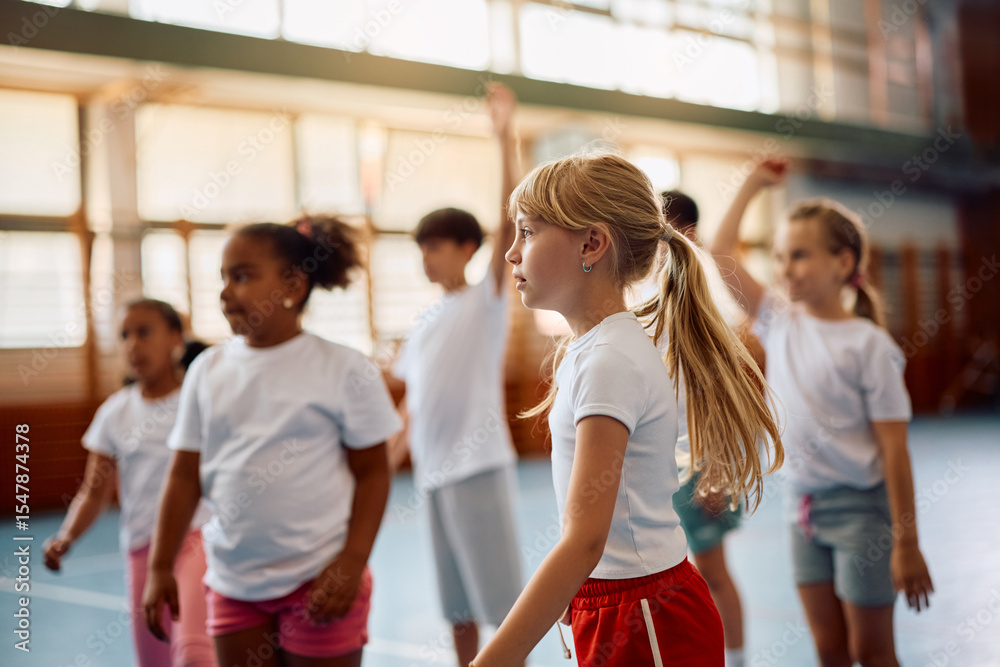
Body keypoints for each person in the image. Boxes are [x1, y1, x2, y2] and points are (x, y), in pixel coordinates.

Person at [472, 151, 783, 666]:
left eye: (527, 232)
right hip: (622, 603)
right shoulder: (593, 349)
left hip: (644, 614)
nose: (511, 253)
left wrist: (492, 660)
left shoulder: (609, 359)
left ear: (591, 244)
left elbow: (584, 540)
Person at [143, 216, 402, 667]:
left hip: (319, 578)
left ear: (293, 286)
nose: (226, 292)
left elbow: (373, 471)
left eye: (242, 276)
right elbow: (184, 476)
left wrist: (352, 560)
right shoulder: (206, 370)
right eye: (223, 278)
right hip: (233, 581)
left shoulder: (344, 368)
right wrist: (160, 564)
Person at [708, 157, 934, 667]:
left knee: (871, 651)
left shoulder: (867, 345)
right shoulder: (778, 321)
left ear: (842, 262)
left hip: (862, 514)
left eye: (801, 256)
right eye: (781, 257)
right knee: (830, 650)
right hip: (802, 511)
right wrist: (753, 183)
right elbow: (719, 253)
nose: (785, 268)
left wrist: (908, 543)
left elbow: (895, 451)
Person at [385, 82, 522, 667]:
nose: (427, 257)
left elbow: (510, 223)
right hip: (434, 478)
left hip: (478, 467)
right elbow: (410, 409)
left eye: (437, 246)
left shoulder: (484, 302)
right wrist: (379, 466)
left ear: (468, 249)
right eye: (421, 248)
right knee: (457, 606)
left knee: (504, 604)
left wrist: (504, 137)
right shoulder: (423, 324)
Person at [44, 298, 214, 667]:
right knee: (155, 657)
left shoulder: (199, 401)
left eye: (144, 332)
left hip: (197, 541)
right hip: (142, 550)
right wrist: (67, 536)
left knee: (194, 652)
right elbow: (93, 491)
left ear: (175, 338)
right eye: (125, 335)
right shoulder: (114, 413)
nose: (133, 344)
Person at [662, 190, 748, 667]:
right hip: (667, 459)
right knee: (679, 575)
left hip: (701, 459)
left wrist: (715, 465)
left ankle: (735, 660)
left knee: (712, 572)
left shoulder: (703, 284)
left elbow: (718, 386)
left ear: (685, 230)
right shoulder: (653, 286)